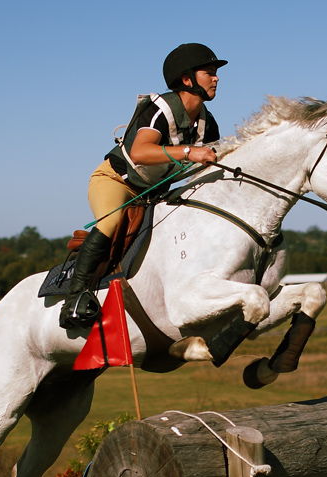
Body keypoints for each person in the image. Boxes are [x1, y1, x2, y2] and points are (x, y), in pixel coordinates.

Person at [60, 43, 228, 330]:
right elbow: (139, 152)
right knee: (112, 221)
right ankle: (74, 300)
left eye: (215, 73)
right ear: (187, 80)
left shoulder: (207, 124)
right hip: (116, 181)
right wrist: (189, 152)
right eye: (209, 72)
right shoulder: (159, 108)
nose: (216, 78)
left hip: (154, 193)